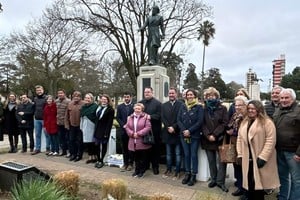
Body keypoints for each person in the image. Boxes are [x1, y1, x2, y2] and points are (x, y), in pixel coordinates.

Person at [237, 100, 280, 200]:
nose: (250, 110)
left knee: (259, 183)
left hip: (259, 157)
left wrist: (263, 157)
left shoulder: (267, 122)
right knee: (249, 180)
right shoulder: (245, 122)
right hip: (247, 157)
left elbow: (270, 140)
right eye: (249, 109)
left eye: (253, 108)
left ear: (259, 109)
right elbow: (239, 138)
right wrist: (240, 154)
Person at [273, 88, 300, 200]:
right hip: (280, 150)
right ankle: (283, 197)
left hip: (293, 153)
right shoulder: (278, 109)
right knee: (283, 177)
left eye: (286, 98)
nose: (283, 100)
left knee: (297, 180)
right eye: (282, 98)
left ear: (293, 98)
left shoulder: (298, 111)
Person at [201, 87, 229, 192]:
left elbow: (224, 123)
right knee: (211, 161)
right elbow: (202, 123)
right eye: (208, 96)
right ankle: (213, 179)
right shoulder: (204, 109)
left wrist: (215, 134)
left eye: (212, 95)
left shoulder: (223, 108)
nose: (210, 97)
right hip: (207, 139)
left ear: (216, 96)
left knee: (222, 162)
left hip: (219, 139)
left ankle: (220, 182)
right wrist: (208, 135)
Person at [177, 89, 204, 186]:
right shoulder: (183, 106)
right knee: (186, 155)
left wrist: (190, 131)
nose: (189, 96)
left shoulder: (199, 107)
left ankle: (193, 175)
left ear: (195, 96)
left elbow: (200, 121)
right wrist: (184, 130)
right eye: (188, 95)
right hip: (183, 135)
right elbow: (178, 119)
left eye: (191, 94)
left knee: (193, 155)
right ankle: (187, 173)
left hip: (194, 135)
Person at [226, 96, 248, 196]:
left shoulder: (248, 116)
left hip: (245, 145)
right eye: (236, 105)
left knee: (245, 167)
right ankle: (240, 186)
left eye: (240, 105)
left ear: (245, 105)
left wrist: (234, 131)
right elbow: (229, 124)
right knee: (237, 166)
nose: (238, 107)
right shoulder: (235, 115)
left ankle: (245, 188)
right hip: (235, 143)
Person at [125, 103, 152, 178]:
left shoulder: (145, 117)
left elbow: (148, 127)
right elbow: (127, 127)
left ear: (142, 110)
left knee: (142, 158)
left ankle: (142, 171)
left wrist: (139, 134)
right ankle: (136, 170)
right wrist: (132, 133)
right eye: (136, 108)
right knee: (136, 158)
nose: (137, 110)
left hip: (141, 140)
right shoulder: (130, 117)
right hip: (133, 140)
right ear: (134, 109)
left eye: (139, 109)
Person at [161, 87, 183, 180]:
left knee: (178, 154)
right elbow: (163, 117)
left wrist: (174, 127)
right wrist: (168, 127)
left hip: (177, 133)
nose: (171, 95)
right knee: (168, 154)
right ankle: (168, 169)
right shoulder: (164, 105)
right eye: (170, 93)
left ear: (176, 94)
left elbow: (180, 118)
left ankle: (177, 172)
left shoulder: (181, 105)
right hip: (167, 133)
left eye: (173, 93)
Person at [139, 87, 162, 175]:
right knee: (144, 149)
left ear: (152, 92)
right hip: (143, 131)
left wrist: (150, 117)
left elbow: (159, 116)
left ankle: (155, 167)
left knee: (155, 150)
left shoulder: (158, 104)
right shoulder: (140, 103)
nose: (147, 94)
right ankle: (145, 166)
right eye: (145, 92)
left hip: (154, 131)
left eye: (148, 92)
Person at [94, 94, 115, 168]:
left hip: (104, 130)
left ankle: (101, 160)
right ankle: (98, 159)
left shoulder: (110, 110)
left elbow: (110, 122)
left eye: (105, 99)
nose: (103, 100)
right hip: (97, 129)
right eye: (102, 99)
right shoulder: (98, 108)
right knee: (96, 145)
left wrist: (106, 132)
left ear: (108, 100)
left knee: (103, 146)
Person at [116, 92, 134, 171]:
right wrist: (123, 125)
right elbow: (118, 117)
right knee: (124, 148)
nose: (126, 98)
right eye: (125, 97)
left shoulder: (134, 106)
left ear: (131, 97)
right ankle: (125, 163)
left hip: (131, 130)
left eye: (128, 97)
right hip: (123, 130)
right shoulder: (120, 107)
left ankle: (131, 163)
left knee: (131, 148)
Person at [65, 91, 84, 162]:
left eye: (78, 96)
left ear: (80, 97)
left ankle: (79, 155)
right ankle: (73, 154)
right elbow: (66, 115)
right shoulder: (70, 104)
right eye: (74, 96)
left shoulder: (83, 104)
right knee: (71, 140)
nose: (76, 97)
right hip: (72, 125)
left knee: (79, 141)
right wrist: (66, 124)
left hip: (80, 126)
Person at [32, 85, 50, 155]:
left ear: (43, 90)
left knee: (47, 134)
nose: (39, 92)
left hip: (44, 119)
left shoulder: (46, 98)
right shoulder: (35, 99)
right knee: (37, 135)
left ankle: (48, 148)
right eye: (37, 90)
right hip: (37, 119)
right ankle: (37, 149)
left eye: (40, 90)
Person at [80, 93, 98, 164]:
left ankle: (95, 156)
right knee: (87, 142)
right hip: (85, 124)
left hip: (92, 125)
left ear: (91, 99)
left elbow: (96, 117)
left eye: (88, 98)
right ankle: (90, 156)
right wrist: (81, 126)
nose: (87, 99)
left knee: (92, 142)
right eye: (86, 98)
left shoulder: (95, 106)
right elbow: (81, 116)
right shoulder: (83, 107)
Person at [56, 88, 70, 156]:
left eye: (61, 93)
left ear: (64, 93)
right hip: (59, 122)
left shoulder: (68, 101)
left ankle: (68, 150)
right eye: (59, 93)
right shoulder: (56, 101)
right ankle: (63, 150)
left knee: (67, 137)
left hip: (66, 123)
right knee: (60, 137)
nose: (60, 94)